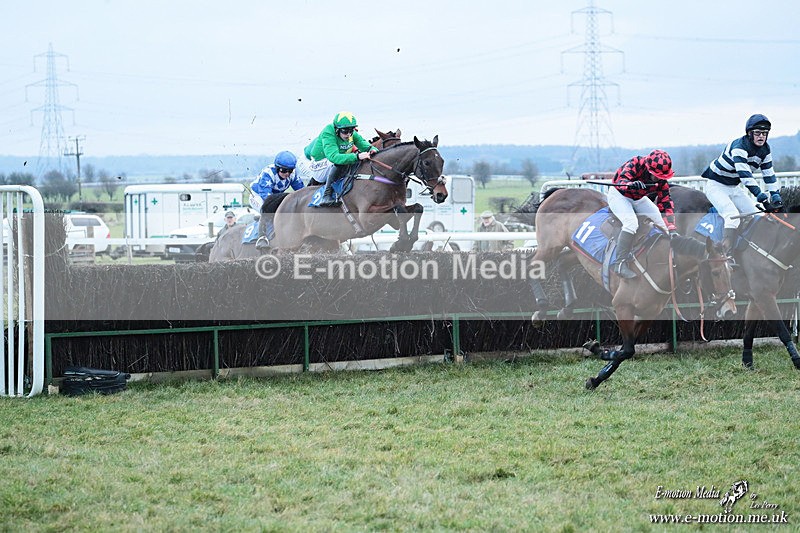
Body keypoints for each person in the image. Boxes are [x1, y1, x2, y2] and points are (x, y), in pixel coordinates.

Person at [702, 113, 782, 255]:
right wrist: (763, 198)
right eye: (757, 133)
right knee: (732, 216)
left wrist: (775, 196)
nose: (761, 137)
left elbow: (769, 173)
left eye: (764, 133)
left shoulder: (765, 149)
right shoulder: (739, 147)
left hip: (733, 187)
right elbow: (745, 176)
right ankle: (727, 255)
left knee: (754, 215)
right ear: (749, 134)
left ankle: (745, 249)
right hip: (716, 186)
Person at [607, 149, 676, 278]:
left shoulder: (661, 180)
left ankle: (671, 258)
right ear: (648, 167)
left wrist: (671, 227)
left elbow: (665, 202)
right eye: (656, 175)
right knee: (631, 223)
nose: (659, 179)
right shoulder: (636, 162)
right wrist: (630, 184)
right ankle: (620, 263)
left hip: (637, 198)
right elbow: (622, 180)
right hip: (619, 195)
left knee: (660, 220)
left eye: (662, 177)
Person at [304, 111, 378, 207]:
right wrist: (357, 156)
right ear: (336, 129)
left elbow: (366, 146)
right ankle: (326, 195)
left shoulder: (351, 134)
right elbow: (333, 157)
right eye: (345, 131)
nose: (348, 134)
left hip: (333, 162)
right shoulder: (328, 132)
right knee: (341, 162)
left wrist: (373, 150)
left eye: (351, 131)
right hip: (319, 164)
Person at [249, 151, 306, 249]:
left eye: (290, 170)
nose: (287, 173)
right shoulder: (268, 174)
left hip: (274, 196)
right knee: (266, 209)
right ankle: (262, 237)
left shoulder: (293, 175)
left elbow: (302, 191)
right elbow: (267, 199)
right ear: (277, 167)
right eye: (283, 170)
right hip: (258, 195)